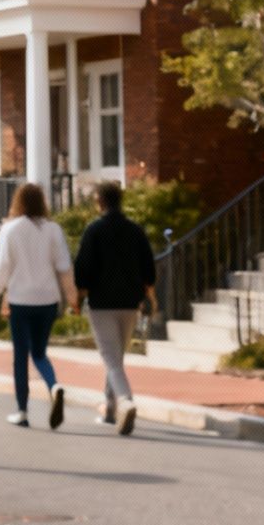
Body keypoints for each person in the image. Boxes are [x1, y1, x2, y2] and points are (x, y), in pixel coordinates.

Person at [0, 183, 78, 430]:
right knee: (39, 353)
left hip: (21, 300)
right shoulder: (53, 230)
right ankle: (53, 385)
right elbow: (64, 266)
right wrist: (72, 297)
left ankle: (22, 410)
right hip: (47, 300)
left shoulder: (10, 229)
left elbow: (1, 265)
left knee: (20, 356)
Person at [74, 181, 156, 436]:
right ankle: (109, 409)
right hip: (130, 303)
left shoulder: (94, 231)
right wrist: (148, 295)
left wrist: (78, 296)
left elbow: (83, 269)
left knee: (110, 359)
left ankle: (126, 400)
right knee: (116, 358)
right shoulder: (135, 231)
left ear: (100, 201)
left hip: (102, 304)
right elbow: (149, 268)